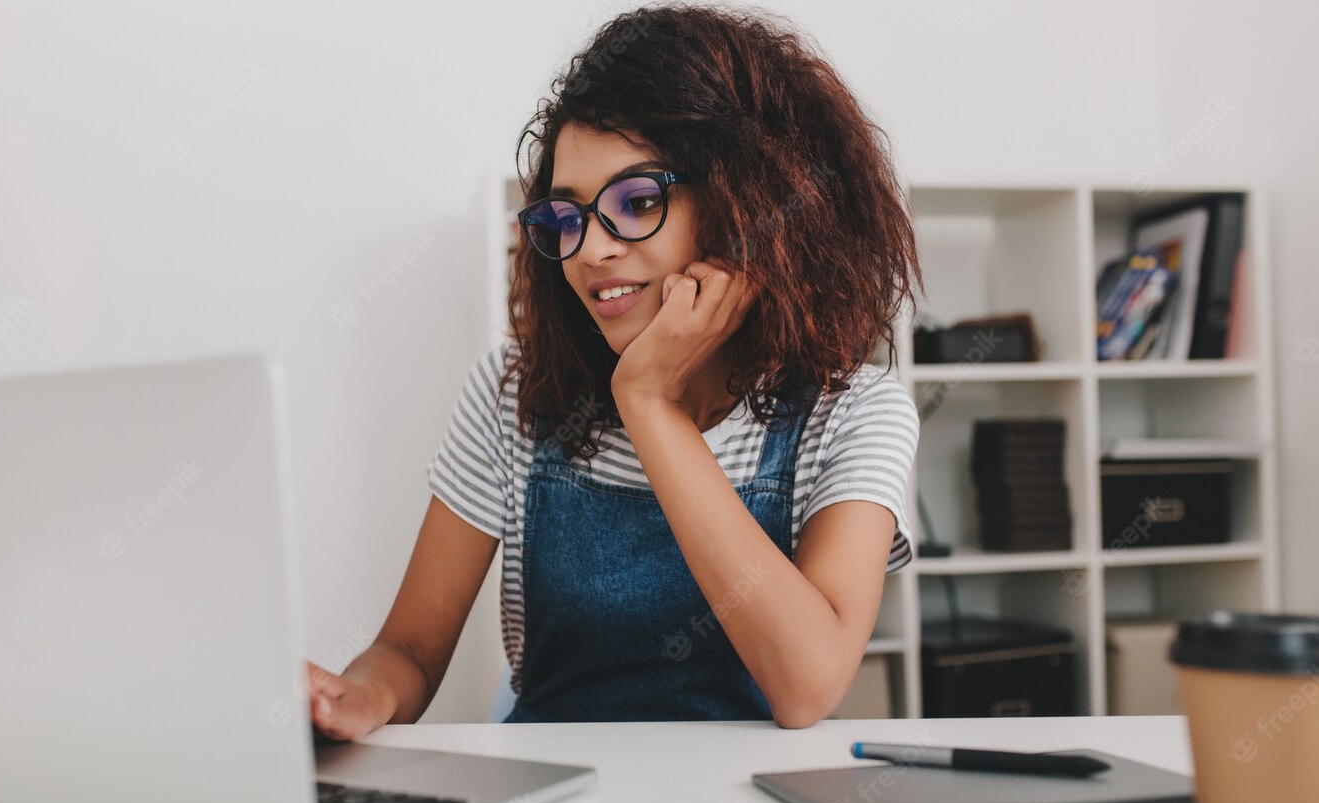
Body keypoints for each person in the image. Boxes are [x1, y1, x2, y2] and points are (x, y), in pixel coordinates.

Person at [308, 3, 921, 735]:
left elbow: (807, 684)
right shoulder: (511, 392)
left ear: (744, 204)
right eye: (566, 218)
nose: (591, 250)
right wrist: (360, 699)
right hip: (550, 799)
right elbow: (407, 650)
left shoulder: (855, 412)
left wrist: (649, 404)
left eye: (636, 202)